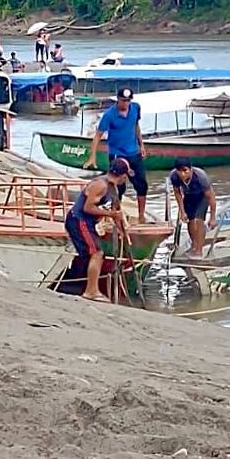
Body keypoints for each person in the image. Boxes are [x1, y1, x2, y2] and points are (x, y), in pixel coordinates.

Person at [64, 158, 130, 302]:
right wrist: (110, 215)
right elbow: (87, 208)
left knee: (96, 253)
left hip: (89, 222)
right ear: (123, 175)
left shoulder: (113, 188)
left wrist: (123, 231)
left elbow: (116, 210)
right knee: (96, 253)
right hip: (79, 220)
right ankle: (91, 291)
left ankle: (89, 287)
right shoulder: (100, 185)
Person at [85, 87, 148, 223]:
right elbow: (97, 136)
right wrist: (92, 156)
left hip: (133, 152)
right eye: (123, 100)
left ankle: (141, 216)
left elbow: (136, 125)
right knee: (118, 187)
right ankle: (115, 216)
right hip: (117, 154)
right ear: (118, 100)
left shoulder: (135, 108)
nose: (126, 103)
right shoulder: (109, 115)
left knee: (142, 185)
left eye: (128, 101)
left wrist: (141, 145)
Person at [169, 157, 217, 258]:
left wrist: (212, 217)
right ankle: (194, 245)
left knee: (198, 221)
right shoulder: (174, 176)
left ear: (190, 169)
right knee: (190, 222)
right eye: (179, 171)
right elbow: (177, 193)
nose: (182, 174)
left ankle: (199, 250)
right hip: (189, 196)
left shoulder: (200, 176)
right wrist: (182, 211)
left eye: (185, 171)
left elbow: (211, 196)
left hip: (202, 197)